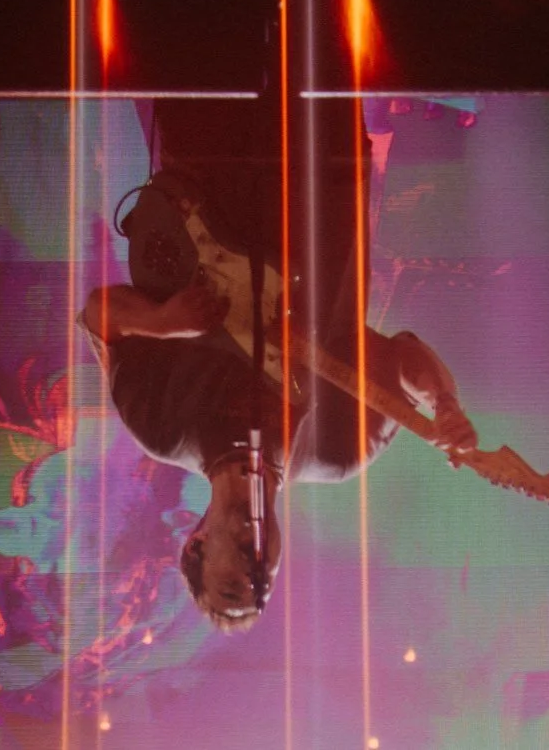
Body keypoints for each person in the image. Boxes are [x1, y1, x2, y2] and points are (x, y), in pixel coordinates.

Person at [78, 93, 477, 626]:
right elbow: (402, 357)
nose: (254, 567)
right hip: (323, 174)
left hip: (205, 159)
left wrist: (164, 321)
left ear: (195, 545)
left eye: (230, 584)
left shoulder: (162, 428)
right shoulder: (338, 452)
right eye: (263, 581)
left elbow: (100, 314)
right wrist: (445, 402)